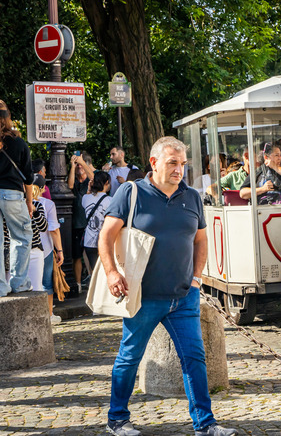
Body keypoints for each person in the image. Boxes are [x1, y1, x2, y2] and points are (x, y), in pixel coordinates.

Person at [100, 136, 236, 436]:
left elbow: (201, 239)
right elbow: (106, 235)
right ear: (154, 163)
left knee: (194, 358)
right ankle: (117, 419)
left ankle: (205, 423)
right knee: (129, 356)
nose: (179, 170)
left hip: (184, 296)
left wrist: (197, 277)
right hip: (143, 296)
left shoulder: (192, 196)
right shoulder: (131, 192)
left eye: (183, 164)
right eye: (172, 163)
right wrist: (111, 273)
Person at [0, 99, 34, 297]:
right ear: (8, 118)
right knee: (21, 237)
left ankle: (1, 287)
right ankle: (19, 282)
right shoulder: (18, 143)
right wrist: (29, 202)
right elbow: (28, 177)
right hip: (12, 194)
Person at [36, 174, 64, 323]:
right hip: (45, 247)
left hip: (25, 247)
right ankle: (49, 314)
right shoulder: (47, 204)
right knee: (46, 282)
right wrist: (59, 250)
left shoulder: (22, 202)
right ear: (42, 189)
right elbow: (54, 229)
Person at [68, 152, 95, 292]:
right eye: (78, 165)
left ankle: (93, 282)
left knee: (91, 255)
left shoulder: (89, 183)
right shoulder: (76, 181)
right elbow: (70, 185)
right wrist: (73, 166)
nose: (79, 167)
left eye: (81, 165)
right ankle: (78, 284)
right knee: (77, 256)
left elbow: (94, 177)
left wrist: (82, 162)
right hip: (76, 224)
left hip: (89, 224)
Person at [82, 171, 112, 272]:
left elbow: (86, 199)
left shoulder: (85, 198)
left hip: (89, 242)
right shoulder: (111, 201)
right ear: (107, 182)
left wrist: (89, 189)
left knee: (96, 272)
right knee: (105, 272)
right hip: (105, 241)